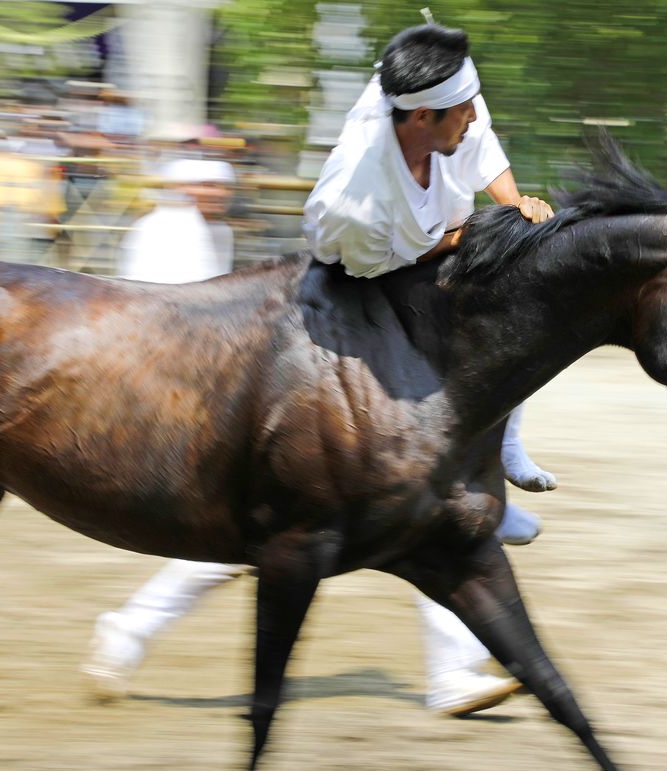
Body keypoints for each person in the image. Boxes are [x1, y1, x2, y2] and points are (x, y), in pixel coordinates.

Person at [84, 24, 554, 717]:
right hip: (339, 308)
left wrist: (512, 208)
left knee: (432, 491)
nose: (472, 118)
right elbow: (373, 262)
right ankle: (130, 627)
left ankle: (456, 662)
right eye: (461, 112)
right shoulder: (352, 193)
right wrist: (469, 236)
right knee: (280, 524)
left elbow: (483, 147)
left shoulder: (446, 107)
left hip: (399, 284)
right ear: (422, 119)